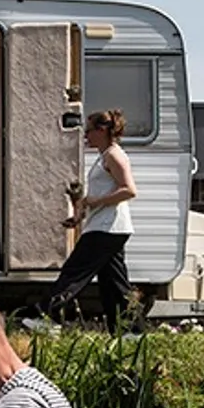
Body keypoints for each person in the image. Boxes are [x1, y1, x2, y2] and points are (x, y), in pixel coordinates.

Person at [37, 108, 138, 327]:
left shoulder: (114, 155)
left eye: (89, 130)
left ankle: (47, 317)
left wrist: (95, 201)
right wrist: (80, 213)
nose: (85, 135)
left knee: (74, 272)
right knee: (114, 283)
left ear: (102, 131)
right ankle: (129, 330)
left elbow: (129, 190)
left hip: (107, 228)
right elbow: (101, 193)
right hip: (107, 227)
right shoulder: (105, 156)